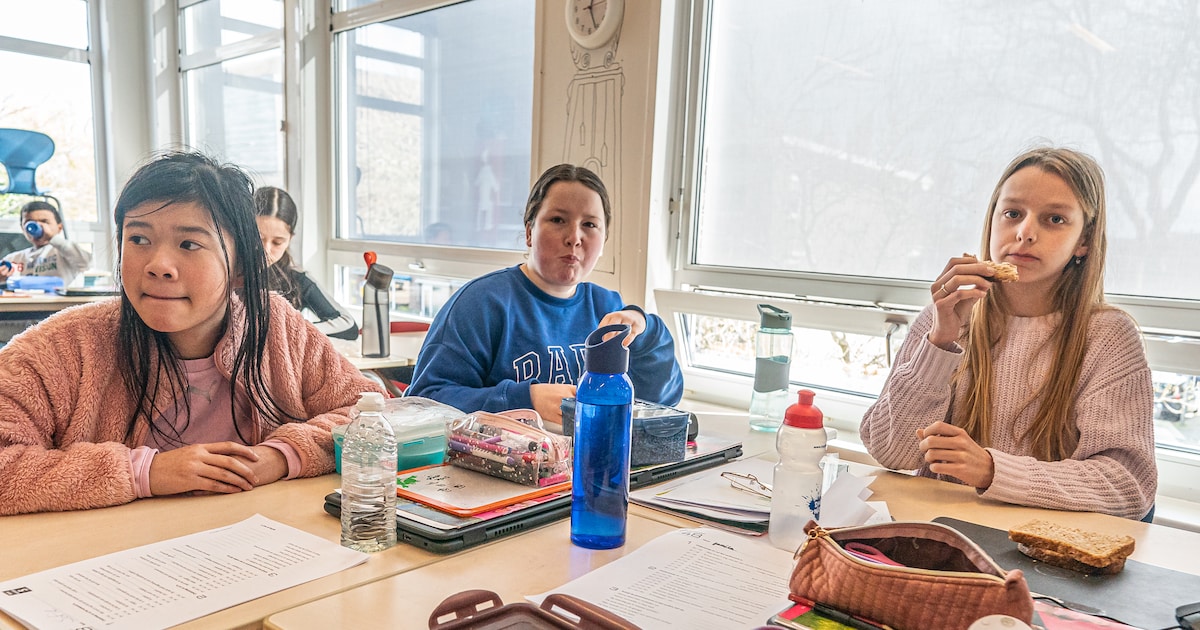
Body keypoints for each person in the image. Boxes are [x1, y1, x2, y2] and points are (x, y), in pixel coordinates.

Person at [0, 151, 385, 516]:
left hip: (257, 550)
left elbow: (369, 411)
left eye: (189, 244)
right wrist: (146, 472)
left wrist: (282, 455)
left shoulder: (277, 327)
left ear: (240, 268)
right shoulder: (64, 347)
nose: (158, 265)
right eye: (138, 239)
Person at [860, 147, 1156, 520]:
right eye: (1012, 214)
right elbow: (890, 451)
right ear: (993, 221)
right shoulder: (944, 317)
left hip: (1034, 551)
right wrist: (939, 342)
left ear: (1083, 241)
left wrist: (992, 470)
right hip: (938, 536)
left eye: (1054, 219)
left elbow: (1128, 484)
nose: (1025, 233)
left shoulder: (1107, 336)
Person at [407, 163, 684, 425]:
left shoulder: (607, 308)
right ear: (529, 232)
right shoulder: (480, 304)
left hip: (584, 466)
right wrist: (525, 400)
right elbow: (423, 403)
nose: (574, 237)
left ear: (603, 242)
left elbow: (661, 399)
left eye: (589, 225)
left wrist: (645, 329)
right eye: (558, 219)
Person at [254, 186, 359, 340]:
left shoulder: (295, 278)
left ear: (290, 239)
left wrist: (292, 330)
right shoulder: (224, 271)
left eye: (277, 242)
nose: (266, 250)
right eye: (258, 238)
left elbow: (347, 326)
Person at [0, 199, 92, 286]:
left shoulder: (64, 252)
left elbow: (85, 263)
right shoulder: (14, 258)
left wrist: (52, 237)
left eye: (44, 221)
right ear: (22, 228)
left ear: (59, 227)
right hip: (26, 302)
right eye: (29, 222)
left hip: (58, 302)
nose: (36, 226)